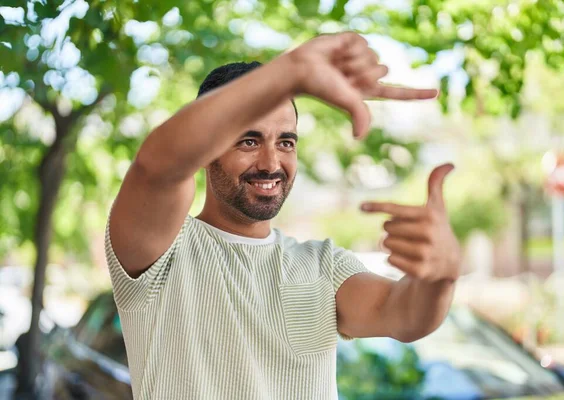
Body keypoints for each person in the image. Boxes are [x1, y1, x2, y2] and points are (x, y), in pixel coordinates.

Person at [105, 32, 461, 400]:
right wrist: (290, 72)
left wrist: (441, 278)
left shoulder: (322, 264)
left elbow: (403, 314)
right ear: (208, 151)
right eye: (249, 140)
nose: (271, 163)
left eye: (285, 142)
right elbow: (158, 168)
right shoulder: (160, 255)